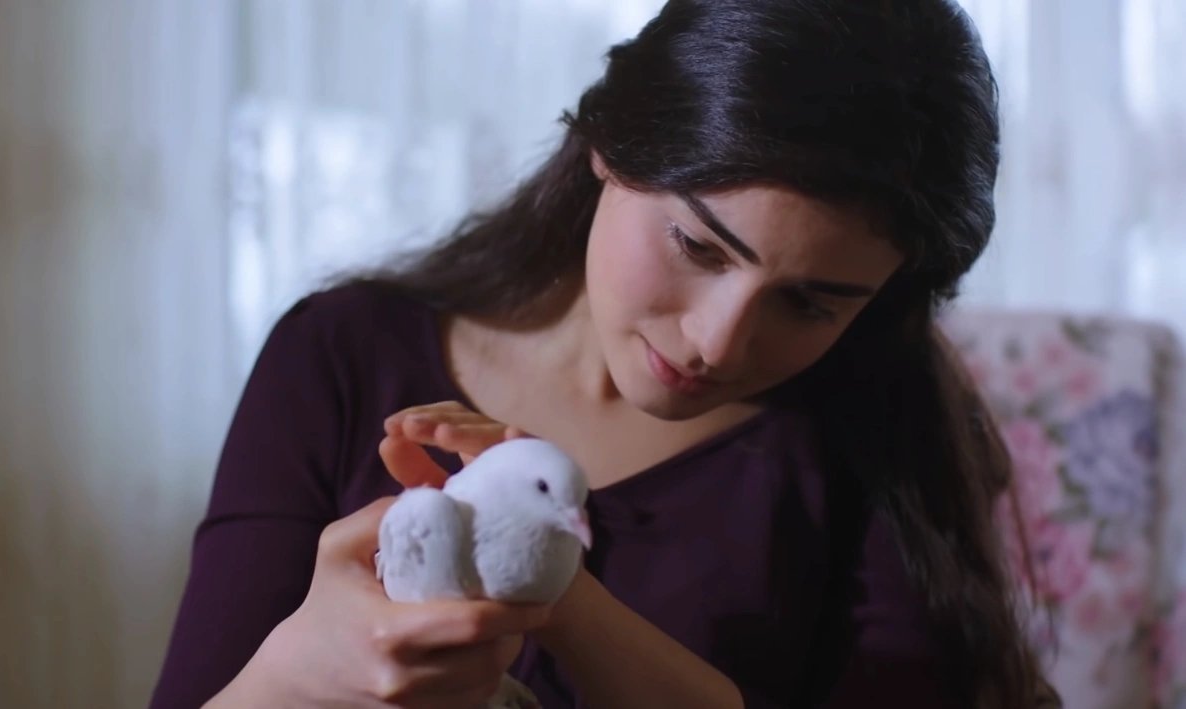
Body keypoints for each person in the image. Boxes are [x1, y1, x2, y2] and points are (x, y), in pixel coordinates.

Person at [150, 1, 1062, 707]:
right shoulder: (339, 353)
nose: (717, 342)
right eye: (697, 245)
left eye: (810, 303)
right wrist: (296, 670)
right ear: (609, 145)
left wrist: (553, 587)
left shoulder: (875, 440)